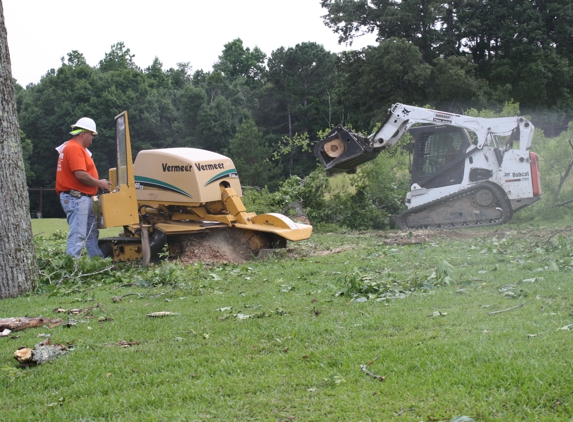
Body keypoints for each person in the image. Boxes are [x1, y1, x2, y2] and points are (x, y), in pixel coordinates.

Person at [55, 117, 112, 258]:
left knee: (91, 233)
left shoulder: (74, 147)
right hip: (76, 198)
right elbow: (80, 174)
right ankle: (72, 271)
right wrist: (100, 183)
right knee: (78, 236)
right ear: (84, 134)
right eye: (92, 134)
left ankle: (98, 263)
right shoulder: (74, 148)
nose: (93, 138)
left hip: (81, 198)